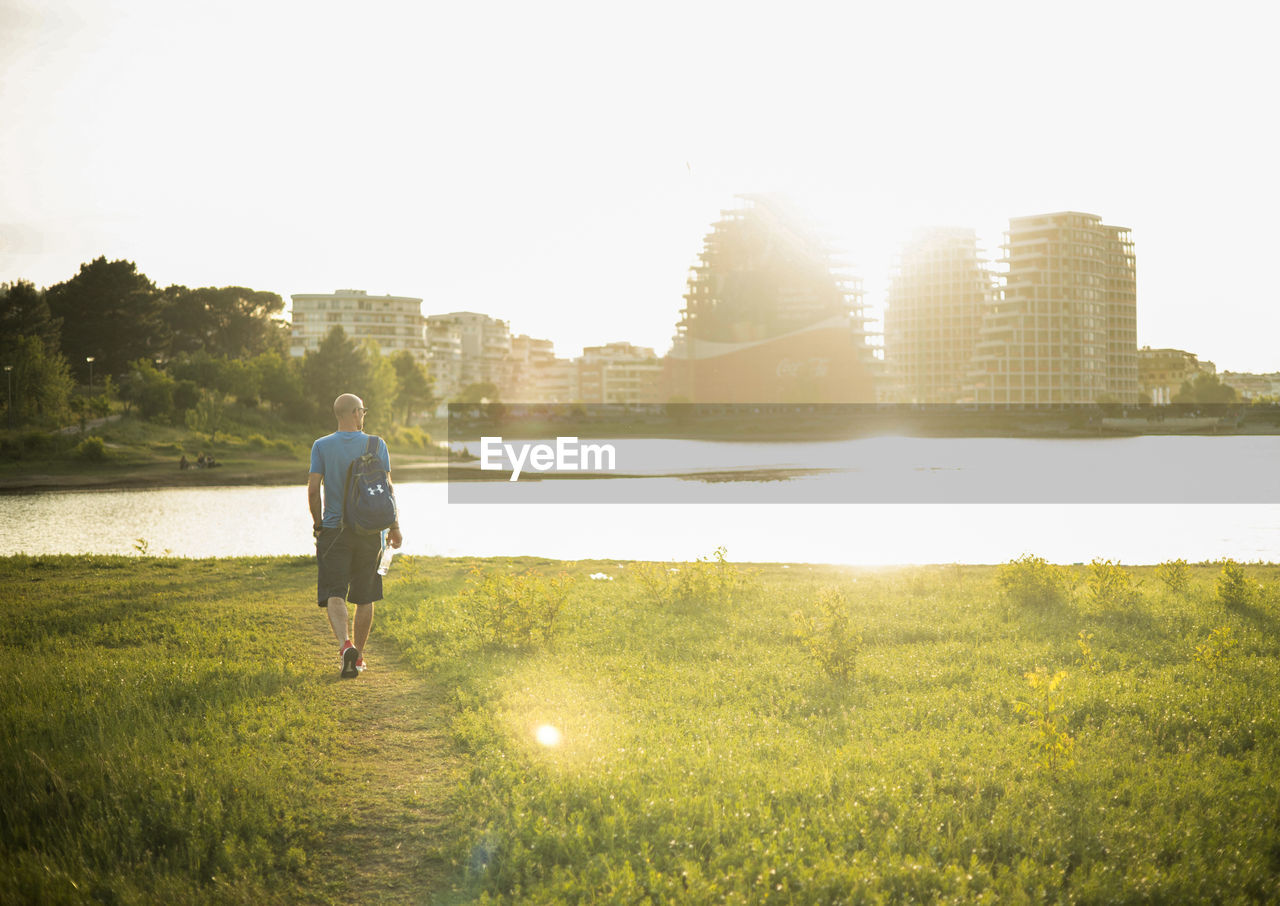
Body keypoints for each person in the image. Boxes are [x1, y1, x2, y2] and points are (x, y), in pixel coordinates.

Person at [308, 393, 403, 678]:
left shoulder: (321, 446)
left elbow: (313, 490)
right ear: (354, 412)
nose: (364, 415)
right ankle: (359, 656)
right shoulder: (377, 444)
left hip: (334, 530)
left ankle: (344, 645)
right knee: (365, 596)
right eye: (363, 411)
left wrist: (318, 524)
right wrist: (394, 526)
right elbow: (387, 490)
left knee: (334, 592)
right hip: (370, 531)